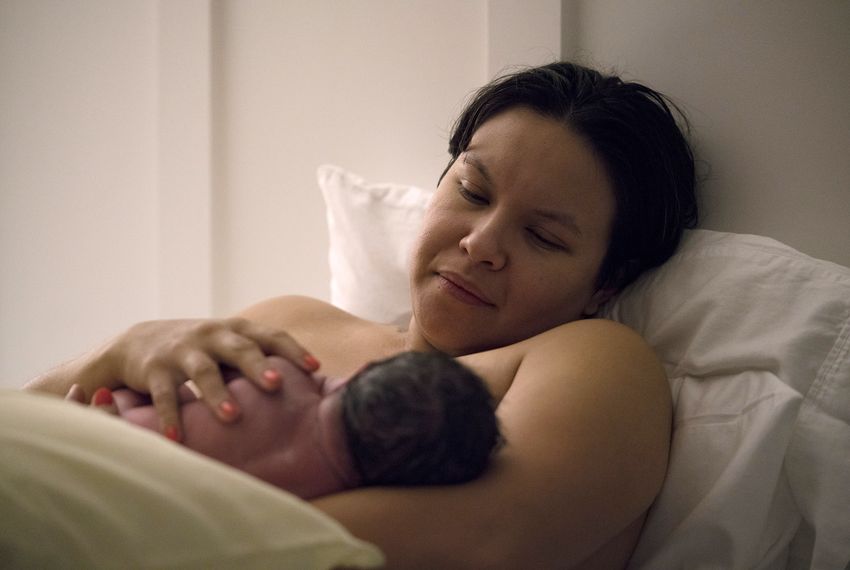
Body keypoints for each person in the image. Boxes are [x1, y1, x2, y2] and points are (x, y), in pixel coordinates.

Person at [26, 61, 698, 569]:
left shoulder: (598, 362)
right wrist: (122, 349)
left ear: (605, 283)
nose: (480, 243)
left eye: (544, 237)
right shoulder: (296, 321)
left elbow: (485, 538)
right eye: (471, 189)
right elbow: (27, 426)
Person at [74, 352, 502, 500]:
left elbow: (178, 384)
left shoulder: (280, 377)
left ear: (358, 374)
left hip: (106, 433)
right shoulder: (332, 495)